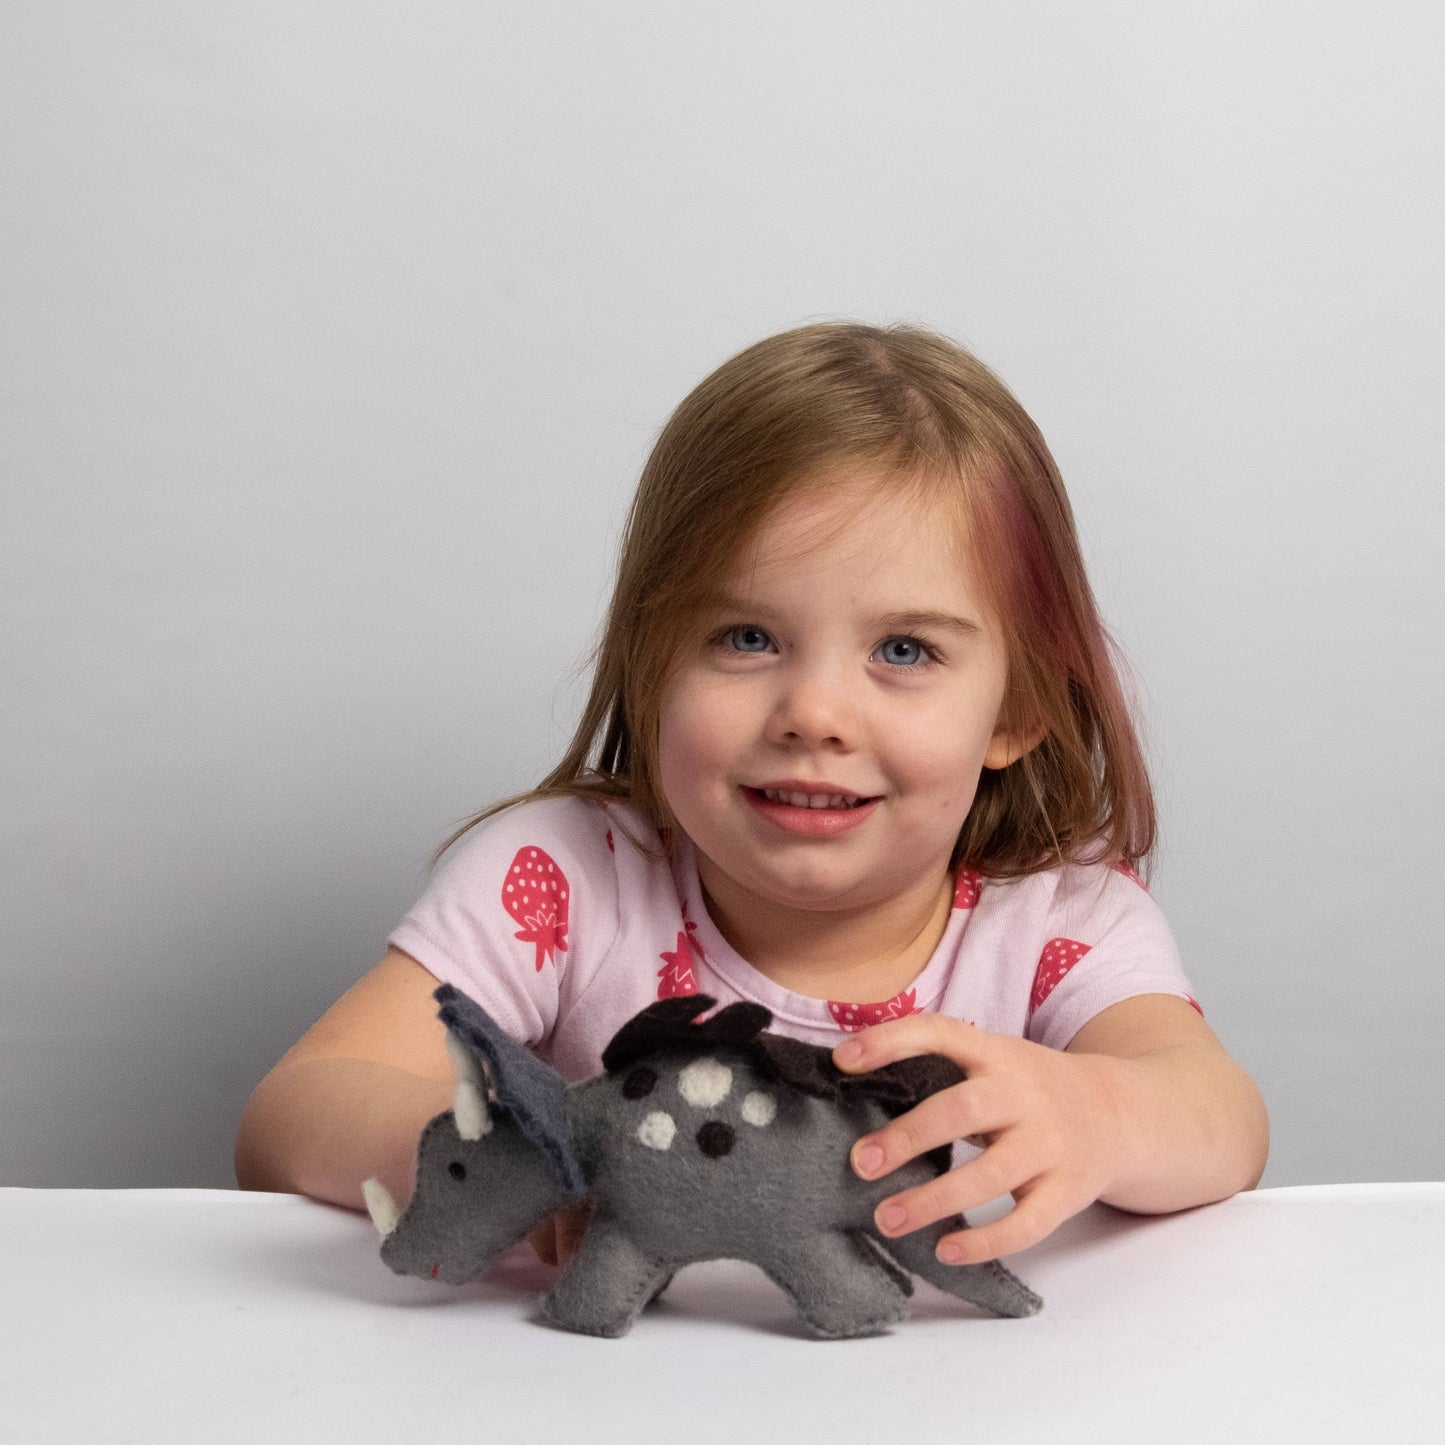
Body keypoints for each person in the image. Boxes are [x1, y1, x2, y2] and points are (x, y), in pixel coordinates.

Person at [234, 322, 1269, 1273]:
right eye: (745, 637)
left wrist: (1102, 1109)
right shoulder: (560, 874)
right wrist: (510, 1152)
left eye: (903, 649)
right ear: (649, 662)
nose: (813, 712)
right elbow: (292, 1110)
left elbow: (1218, 1115)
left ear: (1018, 706)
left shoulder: (1059, 918)